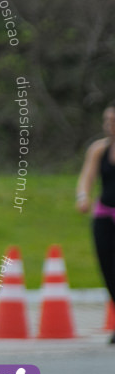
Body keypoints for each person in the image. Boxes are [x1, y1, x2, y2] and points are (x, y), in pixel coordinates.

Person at [76, 102, 115, 341]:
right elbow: (86, 177)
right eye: (107, 120)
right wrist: (83, 196)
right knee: (108, 269)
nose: (109, 125)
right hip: (104, 215)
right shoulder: (99, 149)